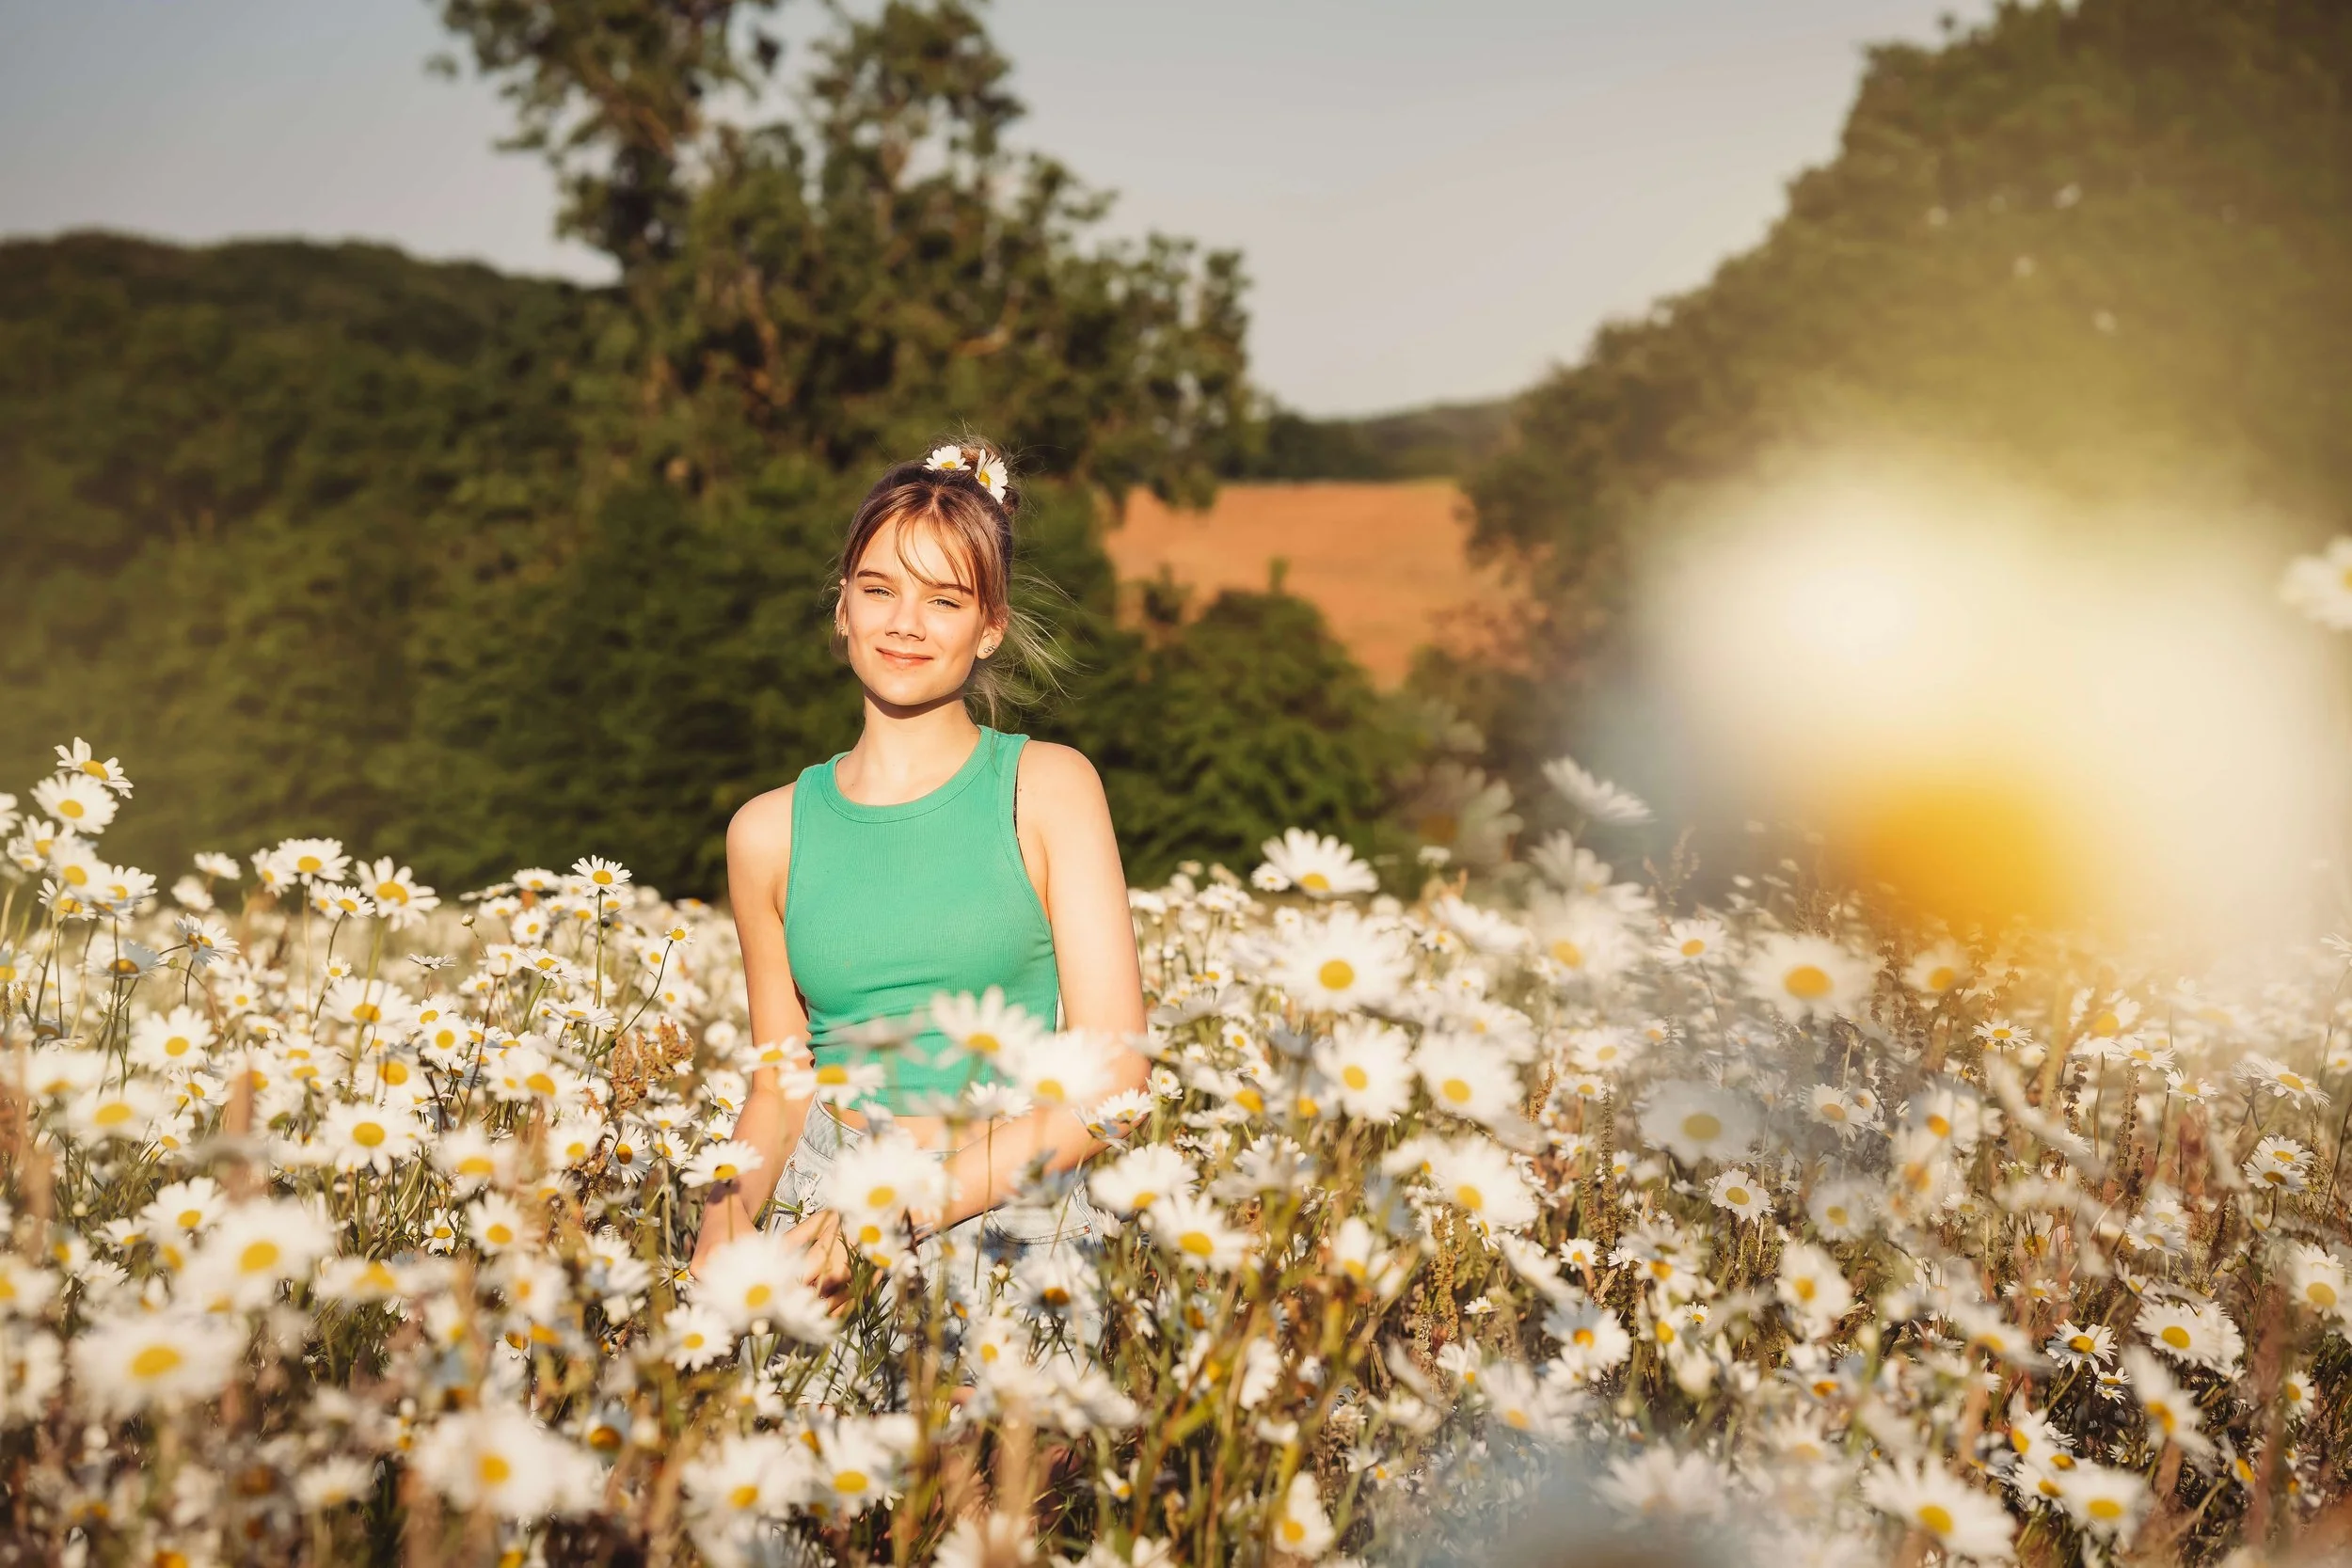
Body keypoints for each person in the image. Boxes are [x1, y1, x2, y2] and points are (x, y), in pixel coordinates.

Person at [689, 439, 1150, 1299]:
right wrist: (723, 1220)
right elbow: (780, 1088)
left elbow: (1115, 1083)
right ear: (842, 610)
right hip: (820, 1215)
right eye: (878, 589)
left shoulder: (1047, 787)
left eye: (944, 599)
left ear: (990, 628)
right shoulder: (766, 832)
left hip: (1006, 1211)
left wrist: (894, 1215)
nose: (904, 623)